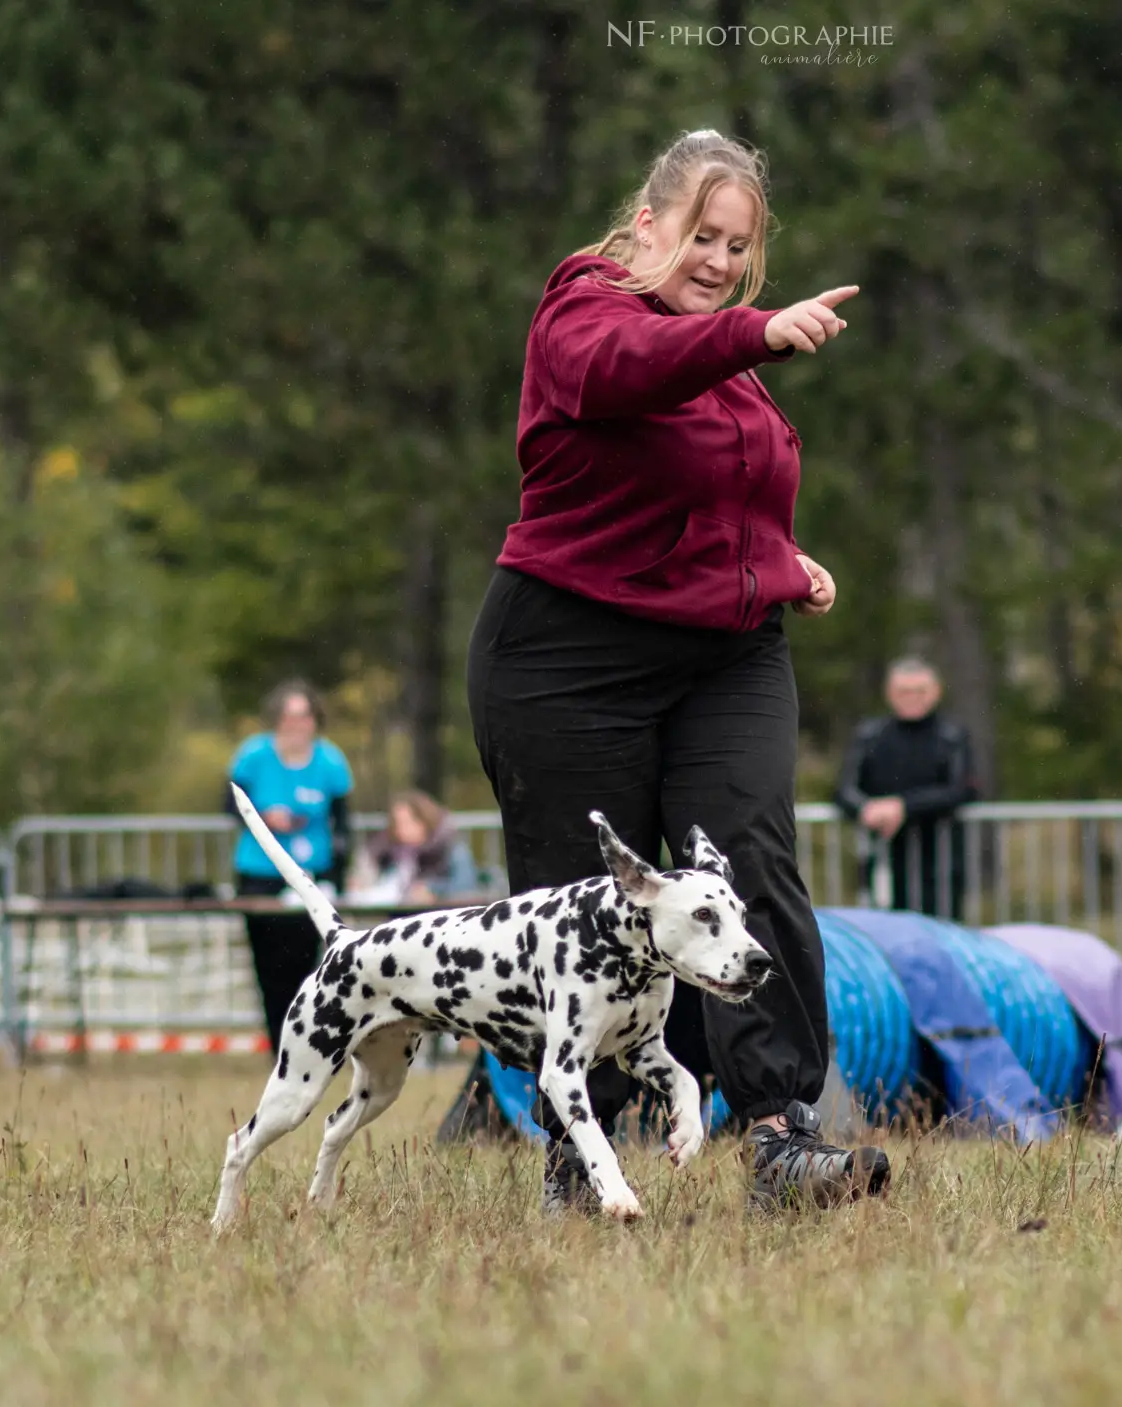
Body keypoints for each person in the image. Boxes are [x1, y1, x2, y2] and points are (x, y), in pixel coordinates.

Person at [467, 128, 894, 1215]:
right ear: (648, 223)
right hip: (566, 655)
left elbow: (706, 489)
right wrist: (755, 332)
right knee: (592, 907)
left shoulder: (724, 358)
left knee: (748, 855)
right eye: (700, 235)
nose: (716, 261)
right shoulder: (585, 307)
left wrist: (774, 560)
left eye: (738, 248)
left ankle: (780, 1134)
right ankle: (583, 1150)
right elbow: (624, 378)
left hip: (723, 653)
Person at [225, 678, 353, 1056]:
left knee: (308, 967)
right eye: (289, 717)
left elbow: (342, 822)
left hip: (311, 873)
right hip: (260, 872)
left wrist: (339, 877)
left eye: (304, 717)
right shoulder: (253, 755)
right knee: (269, 966)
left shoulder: (330, 761)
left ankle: (307, 1045)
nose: (296, 725)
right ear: (277, 721)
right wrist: (265, 816)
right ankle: (276, 1048)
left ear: (315, 720)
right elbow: (228, 804)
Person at [834, 658, 982, 918]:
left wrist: (903, 806)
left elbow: (962, 789)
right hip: (883, 858)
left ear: (936, 692)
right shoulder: (870, 734)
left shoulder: (952, 735)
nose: (911, 698)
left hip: (940, 862)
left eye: (920, 691)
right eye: (904, 691)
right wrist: (867, 809)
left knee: (941, 934)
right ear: (890, 693)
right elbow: (844, 790)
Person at [363, 790, 482, 905]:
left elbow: (466, 888)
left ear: (425, 820)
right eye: (396, 823)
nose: (400, 830)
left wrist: (433, 890)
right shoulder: (393, 852)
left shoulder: (453, 850)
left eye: (406, 822)